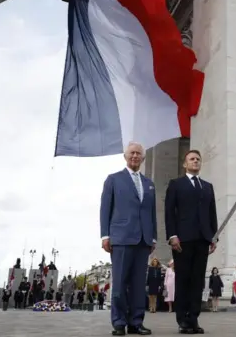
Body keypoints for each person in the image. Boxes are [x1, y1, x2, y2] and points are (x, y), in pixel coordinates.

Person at [100, 142, 157, 336]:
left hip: (143, 240)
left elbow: (151, 212)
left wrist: (154, 237)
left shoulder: (149, 183)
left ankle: (136, 322)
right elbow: (105, 209)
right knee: (120, 283)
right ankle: (118, 322)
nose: (135, 156)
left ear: (143, 158)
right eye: (132, 153)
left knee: (139, 284)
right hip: (121, 238)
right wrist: (105, 235)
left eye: (139, 154)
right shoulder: (113, 180)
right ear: (126, 156)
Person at [165, 149, 218, 334]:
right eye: (191, 159)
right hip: (182, 240)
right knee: (183, 280)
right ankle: (183, 320)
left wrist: (214, 236)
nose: (195, 161)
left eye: (198, 159)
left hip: (203, 239)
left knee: (198, 281)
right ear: (185, 164)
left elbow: (212, 213)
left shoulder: (208, 186)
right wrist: (172, 236)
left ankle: (194, 318)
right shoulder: (176, 184)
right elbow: (170, 212)